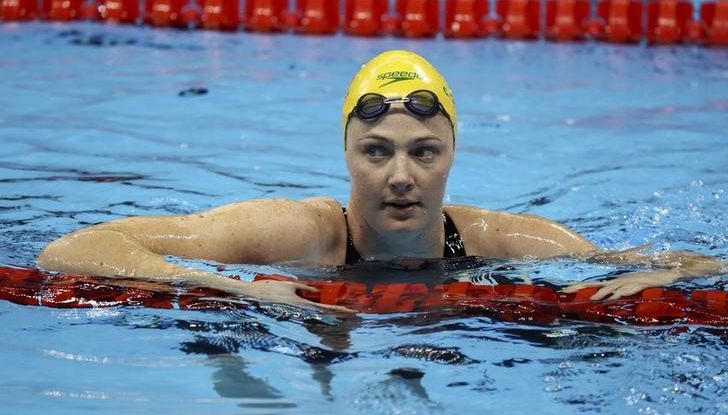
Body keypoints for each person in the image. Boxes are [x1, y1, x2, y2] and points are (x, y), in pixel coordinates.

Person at [38, 50, 725, 311]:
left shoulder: (504, 238)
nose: (400, 177)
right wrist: (233, 288)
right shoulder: (299, 232)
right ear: (345, 152)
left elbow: (681, 266)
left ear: (454, 153)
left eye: (424, 152)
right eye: (376, 152)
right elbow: (69, 250)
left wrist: (646, 278)